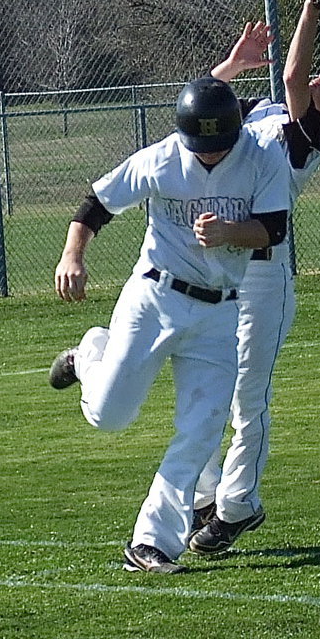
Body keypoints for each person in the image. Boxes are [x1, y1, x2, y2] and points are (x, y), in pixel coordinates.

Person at [49, 76, 291, 575]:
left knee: (201, 431)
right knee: (110, 415)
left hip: (221, 310)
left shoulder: (261, 158)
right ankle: (91, 354)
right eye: (200, 146)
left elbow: (273, 228)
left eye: (218, 145)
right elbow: (96, 204)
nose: (208, 155)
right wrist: (72, 255)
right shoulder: (162, 157)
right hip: (155, 297)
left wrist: (230, 232)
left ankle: (151, 542)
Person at [186, 0, 320, 556]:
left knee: (247, 395)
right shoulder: (267, 113)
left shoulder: (309, 132)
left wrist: (313, 7)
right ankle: (204, 495)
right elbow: (206, 118)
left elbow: (294, 79)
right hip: (214, 264)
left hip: (263, 273)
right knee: (202, 385)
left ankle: (237, 507)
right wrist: (233, 66)